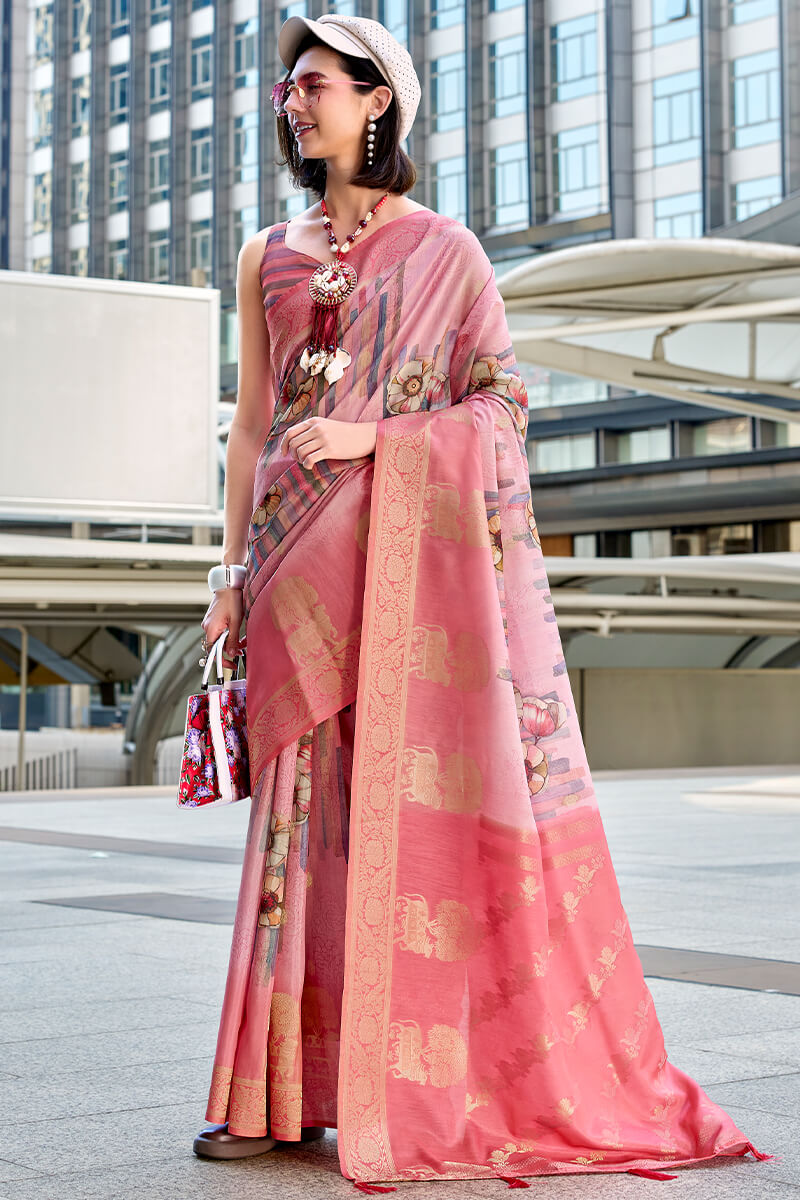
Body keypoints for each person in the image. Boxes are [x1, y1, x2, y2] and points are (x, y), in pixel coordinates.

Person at [192, 12, 774, 1188]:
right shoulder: (267, 252)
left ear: (376, 104)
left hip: (401, 576)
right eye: (286, 89)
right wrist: (227, 570)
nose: (292, 105)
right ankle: (274, 1094)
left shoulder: (446, 253)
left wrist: (371, 436)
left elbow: (500, 409)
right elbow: (250, 424)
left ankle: (398, 1086)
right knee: (293, 835)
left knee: (393, 832)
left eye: (314, 86)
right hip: (291, 573)